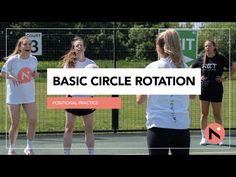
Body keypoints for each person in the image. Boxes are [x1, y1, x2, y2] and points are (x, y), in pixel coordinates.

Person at [136, 29, 195, 155]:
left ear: (160, 47)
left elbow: (139, 100)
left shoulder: (152, 68)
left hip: (158, 125)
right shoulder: (185, 68)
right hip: (181, 126)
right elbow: (193, 96)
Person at [191, 39, 235, 146]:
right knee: (204, 114)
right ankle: (204, 137)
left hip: (216, 90)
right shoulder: (201, 59)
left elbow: (233, 68)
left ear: (214, 47)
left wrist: (225, 78)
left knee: (217, 115)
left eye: (209, 46)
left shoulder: (220, 58)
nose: (207, 48)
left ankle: (219, 138)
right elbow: (191, 68)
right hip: (204, 89)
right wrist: (197, 77)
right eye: (205, 46)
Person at [1, 36, 39, 155]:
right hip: (14, 96)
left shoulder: (34, 60)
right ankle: (11, 148)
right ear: (20, 46)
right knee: (15, 123)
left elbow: (32, 73)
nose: (28, 46)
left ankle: (29, 147)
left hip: (29, 95)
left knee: (33, 120)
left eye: (29, 44)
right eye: (25, 44)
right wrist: (11, 77)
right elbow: (3, 73)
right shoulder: (12, 60)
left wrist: (35, 74)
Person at [61, 36, 98, 155]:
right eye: (77, 45)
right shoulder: (69, 64)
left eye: (81, 45)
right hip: (72, 99)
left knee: (88, 129)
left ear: (85, 47)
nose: (79, 47)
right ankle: (66, 153)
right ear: (74, 48)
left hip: (88, 100)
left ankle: (91, 153)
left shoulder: (92, 64)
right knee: (69, 128)